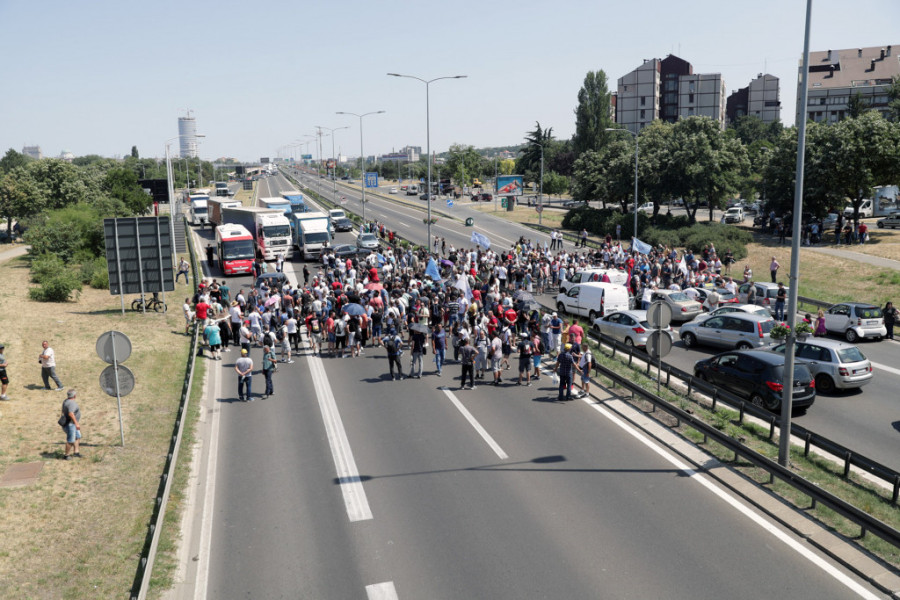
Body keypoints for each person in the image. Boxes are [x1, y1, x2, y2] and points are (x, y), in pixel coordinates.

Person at [60, 389, 82, 460]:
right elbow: (71, 413)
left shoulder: (65, 401)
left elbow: (63, 411)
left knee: (78, 436)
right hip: (71, 424)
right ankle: (66, 455)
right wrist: (76, 423)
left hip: (70, 423)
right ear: (75, 396)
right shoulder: (72, 403)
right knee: (71, 440)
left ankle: (76, 452)